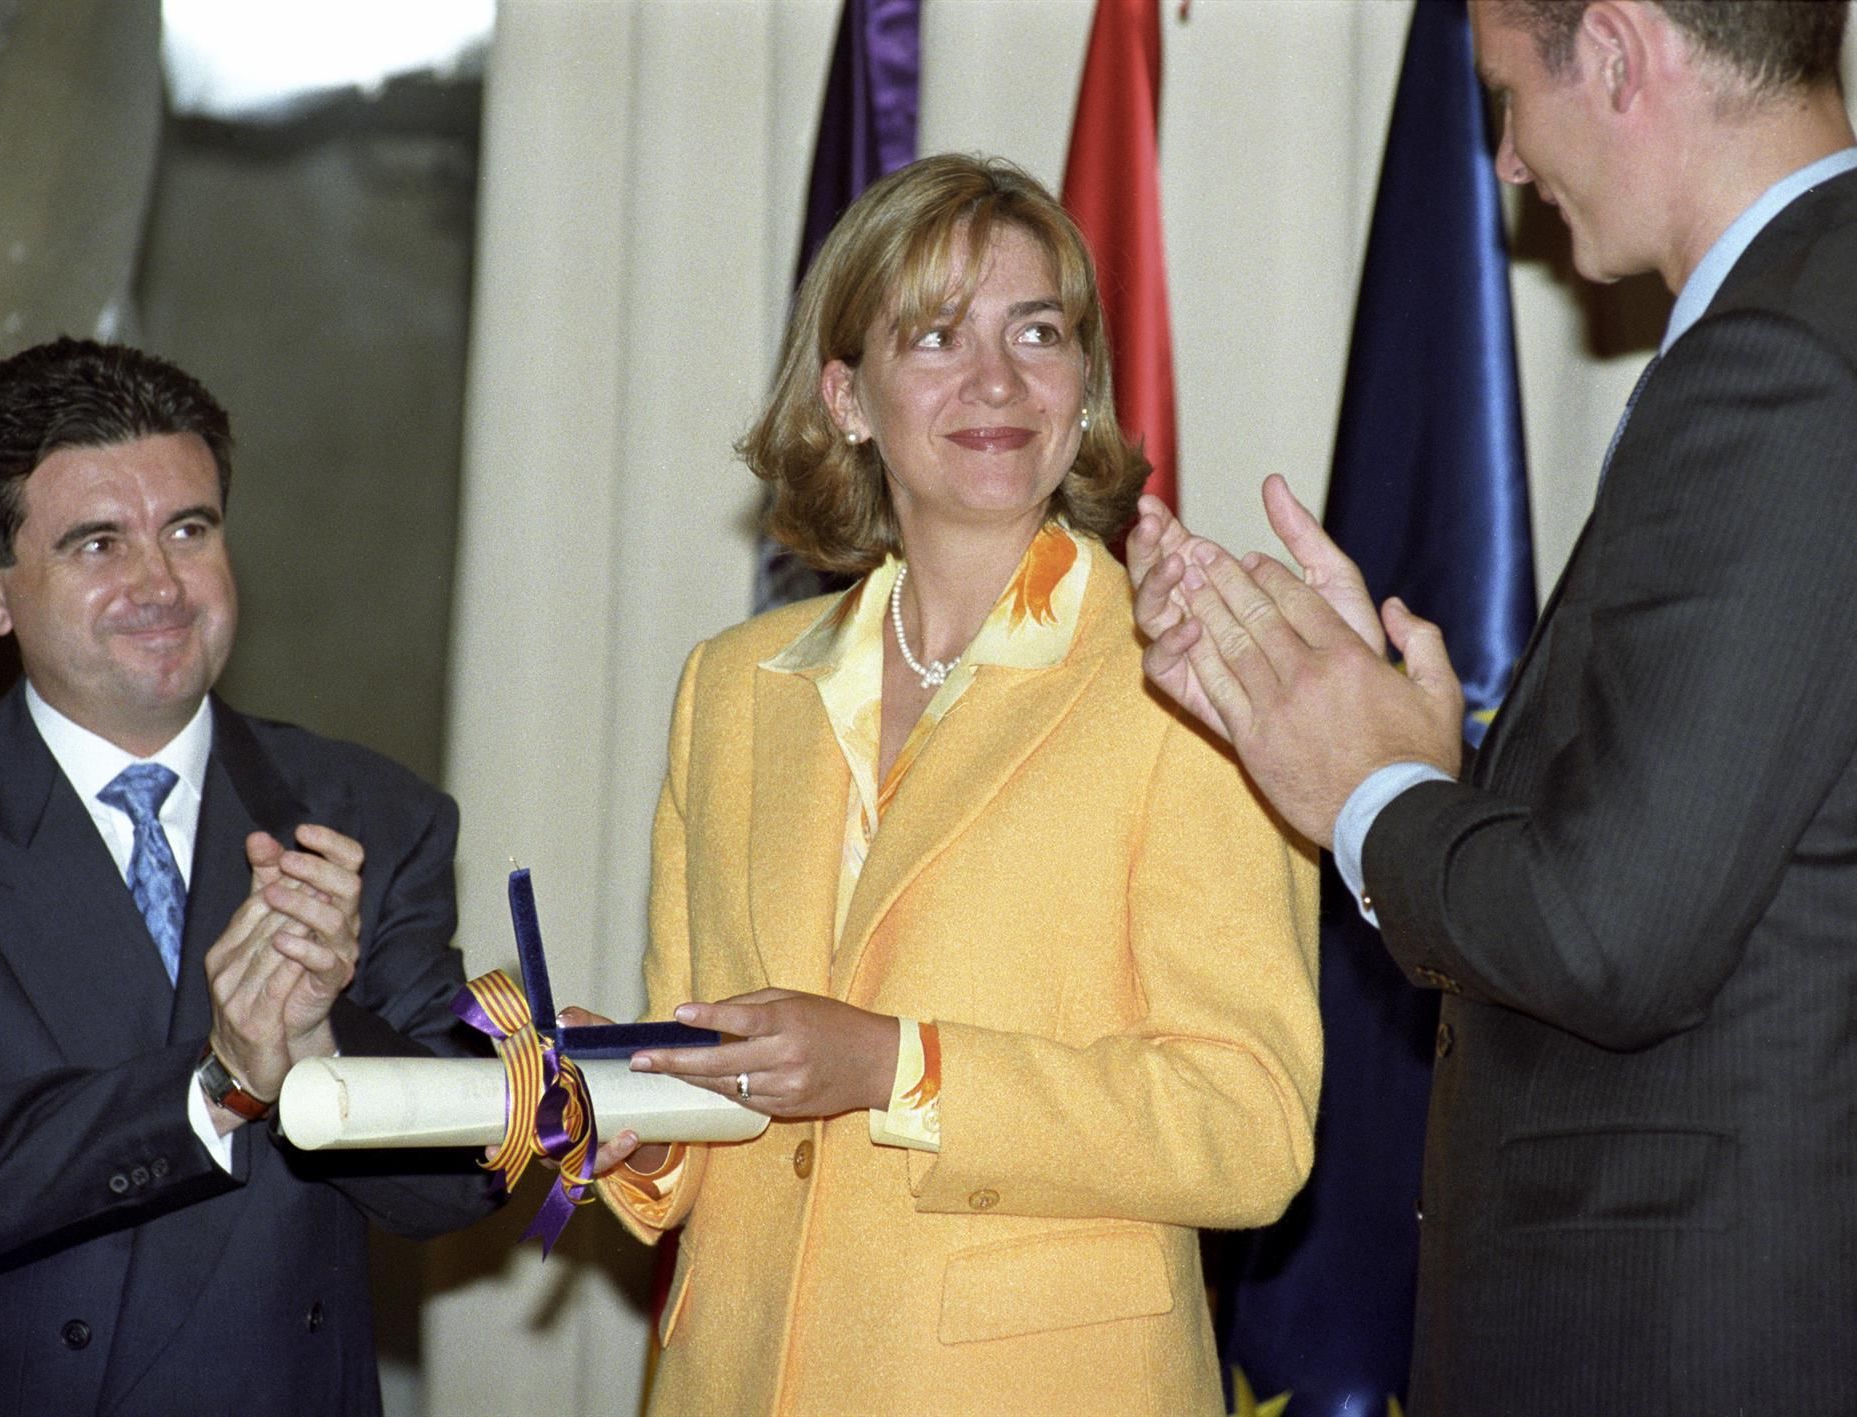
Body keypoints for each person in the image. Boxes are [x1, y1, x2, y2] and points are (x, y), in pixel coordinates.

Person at [1129, 2, 1857, 1411]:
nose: (1509, 163)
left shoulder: (1786, 362)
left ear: (1623, 51)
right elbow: (1702, 846)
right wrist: (1430, 757)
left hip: (1688, 1340)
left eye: (1507, 97)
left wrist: (1367, 794)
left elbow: (1609, 936)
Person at [561, 154, 1323, 1414]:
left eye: (1039, 332)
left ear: (1084, 389)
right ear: (847, 398)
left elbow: (1245, 1127)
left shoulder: (1188, 676)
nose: (1000, 381)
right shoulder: (733, 686)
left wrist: (903, 1067)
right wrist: (615, 1111)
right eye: (936, 336)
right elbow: (714, 1095)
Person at [0, 338, 496, 1415]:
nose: (160, 584)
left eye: (188, 529)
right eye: (97, 543)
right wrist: (219, 1083)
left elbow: (456, 1182)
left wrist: (324, 1041)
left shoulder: (371, 814)